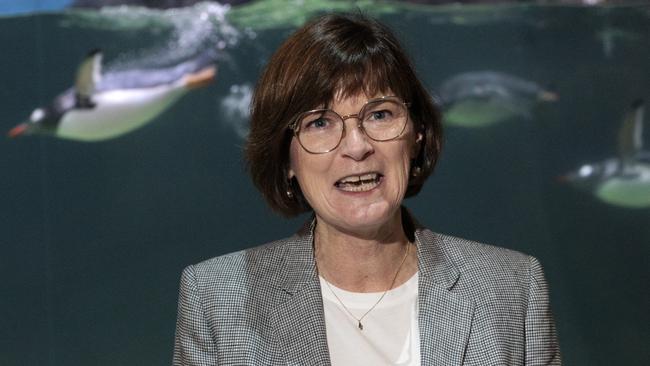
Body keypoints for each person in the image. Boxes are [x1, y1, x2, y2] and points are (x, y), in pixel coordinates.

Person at [172, 12, 561, 366]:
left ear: (416, 133)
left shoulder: (512, 287)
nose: (357, 146)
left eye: (379, 114)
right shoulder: (216, 299)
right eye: (320, 123)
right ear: (286, 159)